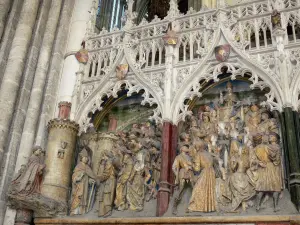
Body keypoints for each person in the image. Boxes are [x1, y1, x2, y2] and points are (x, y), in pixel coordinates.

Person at [189, 141, 217, 212]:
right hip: (212, 172)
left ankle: (196, 207)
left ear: (197, 147)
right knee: (210, 189)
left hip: (205, 173)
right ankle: (209, 207)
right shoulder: (209, 154)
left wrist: (191, 165)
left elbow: (197, 168)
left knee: (197, 189)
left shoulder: (199, 154)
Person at [70, 149, 96, 215]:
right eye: (84, 157)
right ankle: (74, 211)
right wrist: (78, 177)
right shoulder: (78, 166)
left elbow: (90, 176)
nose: (86, 159)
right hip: (79, 185)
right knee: (78, 197)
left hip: (85, 185)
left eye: (87, 158)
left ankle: (82, 211)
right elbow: (74, 175)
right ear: (81, 158)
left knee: (84, 198)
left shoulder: (88, 167)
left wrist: (90, 180)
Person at [172, 145, 194, 215]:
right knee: (180, 190)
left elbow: (194, 166)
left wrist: (191, 166)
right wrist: (177, 175)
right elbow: (174, 167)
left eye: (187, 147)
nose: (187, 148)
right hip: (182, 173)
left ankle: (192, 206)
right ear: (181, 149)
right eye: (185, 147)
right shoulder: (178, 157)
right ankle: (174, 207)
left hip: (190, 173)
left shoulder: (189, 157)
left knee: (194, 189)